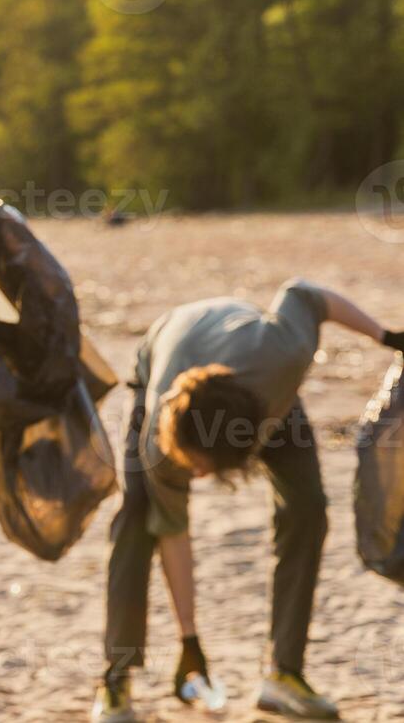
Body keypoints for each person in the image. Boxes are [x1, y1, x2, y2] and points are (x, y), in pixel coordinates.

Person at [94, 280, 404, 722]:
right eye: (194, 468)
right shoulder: (161, 449)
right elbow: (175, 533)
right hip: (161, 372)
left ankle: (284, 673)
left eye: (202, 469)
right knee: (138, 517)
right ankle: (116, 679)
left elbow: (305, 294)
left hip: (256, 387)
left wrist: (387, 337)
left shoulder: (283, 353)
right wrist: (189, 640)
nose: (197, 477)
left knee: (308, 509)